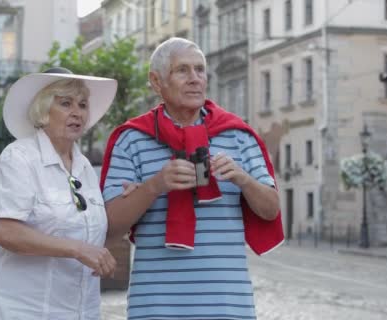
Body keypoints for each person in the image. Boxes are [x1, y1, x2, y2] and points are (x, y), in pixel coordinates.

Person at [101, 37, 284, 320]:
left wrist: (243, 179)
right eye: (182, 70)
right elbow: (110, 226)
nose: (194, 79)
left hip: (228, 306)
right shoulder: (131, 139)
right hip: (155, 306)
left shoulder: (239, 135)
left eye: (200, 70)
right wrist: (155, 185)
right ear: (156, 81)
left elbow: (271, 210)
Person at [0, 67, 118, 319]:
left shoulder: (85, 166)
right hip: (25, 311)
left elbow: (94, 228)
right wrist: (78, 249)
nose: (77, 112)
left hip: (82, 311)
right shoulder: (19, 158)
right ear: (43, 111)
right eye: (65, 103)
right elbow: (4, 230)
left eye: (83, 104)